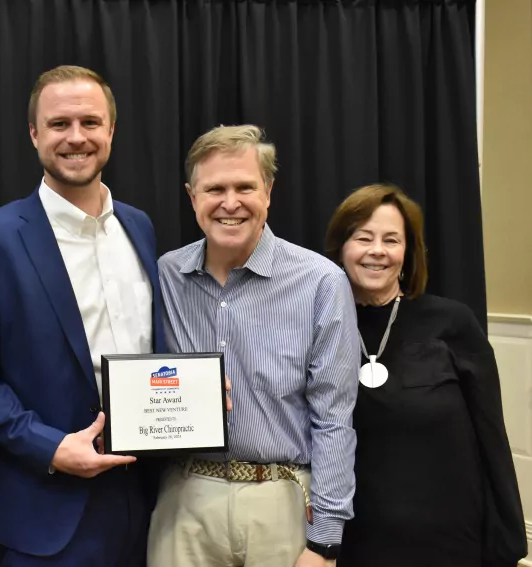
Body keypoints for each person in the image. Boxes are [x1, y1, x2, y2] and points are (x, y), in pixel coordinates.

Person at [0, 65, 165, 566]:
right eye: (59, 124)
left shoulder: (139, 226)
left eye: (90, 122)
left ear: (111, 130)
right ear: (34, 134)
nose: (76, 137)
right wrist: (49, 448)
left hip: (141, 503)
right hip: (43, 512)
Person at [149, 124, 360, 567]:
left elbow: (334, 419)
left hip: (280, 502)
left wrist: (325, 542)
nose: (230, 203)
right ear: (192, 197)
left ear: (268, 191)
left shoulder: (321, 283)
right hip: (185, 503)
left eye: (244, 187)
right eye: (215, 189)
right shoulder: (165, 275)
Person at [324, 183, 527, 567]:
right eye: (363, 237)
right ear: (340, 248)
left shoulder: (452, 322)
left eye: (391, 240)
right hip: (354, 538)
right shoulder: (320, 327)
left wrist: (507, 543)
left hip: (449, 537)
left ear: (408, 252)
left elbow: (492, 438)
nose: (377, 250)